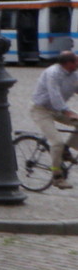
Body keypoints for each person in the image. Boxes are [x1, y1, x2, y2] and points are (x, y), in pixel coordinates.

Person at [29, 49, 78, 188]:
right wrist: (68, 113)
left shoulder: (73, 74)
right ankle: (57, 177)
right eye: (77, 60)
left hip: (57, 109)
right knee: (56, 142)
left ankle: (66, 150)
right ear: (69, 63)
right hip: (41, 110)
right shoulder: (53, 73)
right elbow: (54, 95)